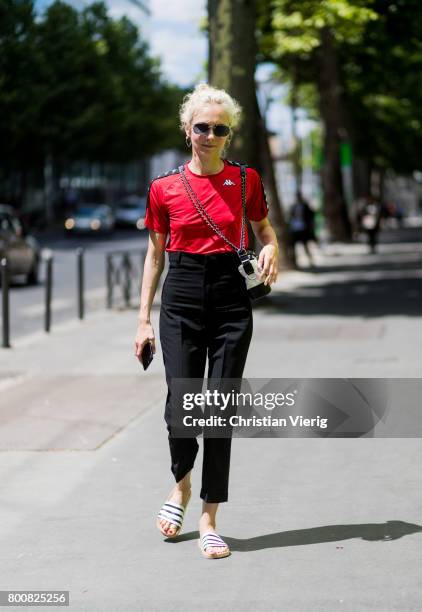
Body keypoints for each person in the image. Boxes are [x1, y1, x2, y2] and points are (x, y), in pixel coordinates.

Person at [134, 83, 279, 560]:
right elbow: (155, 256)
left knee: (218, 408)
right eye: (203, 127)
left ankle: (210, 516)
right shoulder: (164, 187)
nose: (211, 135)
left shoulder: (246, 179)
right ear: (187, 130)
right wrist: (143, 321)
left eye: (220, 129)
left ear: (228, 134)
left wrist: (272, 248)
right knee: (181, 402)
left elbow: (263, 229)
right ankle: (180, 486)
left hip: (231, 299)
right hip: (181, 297)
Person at [288, 191, 316, 267]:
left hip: (304, 228)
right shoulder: (293, 206)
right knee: (293, 247)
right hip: (295, 228)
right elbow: (290, 217)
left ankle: (311, 261)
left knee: (305, 245)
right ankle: (294, 263)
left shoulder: (305, 205)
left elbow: (312, 215)